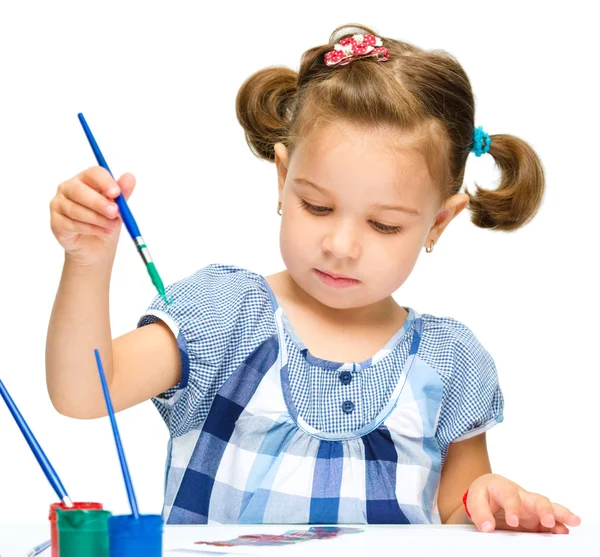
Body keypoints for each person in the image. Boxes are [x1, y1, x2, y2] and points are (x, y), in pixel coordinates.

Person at [46, 23, 581, 533]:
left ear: (438, 221)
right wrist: (88, 263)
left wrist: (488, 502)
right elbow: (82, 392)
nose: (341, 246)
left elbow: (457, 520)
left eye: (383, 224)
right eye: (317, 206)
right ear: (283, 178)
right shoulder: (225, 316)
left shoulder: (450, 362)